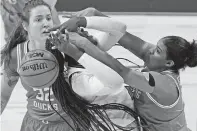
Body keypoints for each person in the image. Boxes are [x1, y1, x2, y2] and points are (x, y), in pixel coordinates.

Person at [1, 1, 146, 130]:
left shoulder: (70, 45)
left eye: (48, 18)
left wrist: (88, 19)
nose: (46, 23)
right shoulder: (17, 55)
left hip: (72, 122)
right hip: (36, 123)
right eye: (38, 19)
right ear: (25, 25)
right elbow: (3, 95)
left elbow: (118, 30)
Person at [49, 14, 197, 131]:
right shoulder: (158, 61)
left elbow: (121, 71)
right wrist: (87, 18)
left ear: (169, 63)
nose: (150, 49)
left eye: (158, 50)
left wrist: (82, 44)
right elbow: (120, 32)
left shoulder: (163, 84)